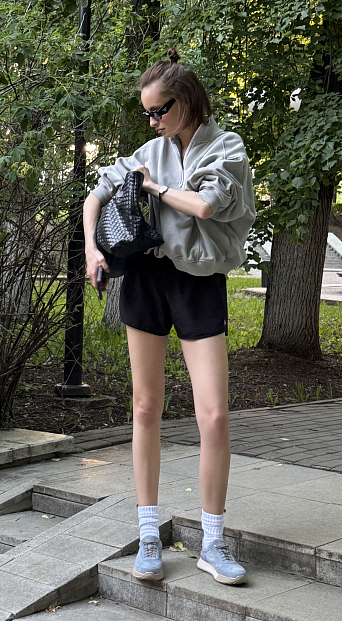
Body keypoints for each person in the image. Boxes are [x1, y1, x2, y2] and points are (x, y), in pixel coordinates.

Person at [83, 49, 256, 585]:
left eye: (160, 110)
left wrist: (154, 187)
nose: (154, 121)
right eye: (147, 113)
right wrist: (91, 250)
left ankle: (213, 542)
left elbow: (206, 206)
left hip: (199, 282)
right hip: (148, 280)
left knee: (215, 415)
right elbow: (95, 197)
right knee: (145, 408)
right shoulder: (148, 151)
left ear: (187, 101)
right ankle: (148, 536)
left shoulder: (226, 147)